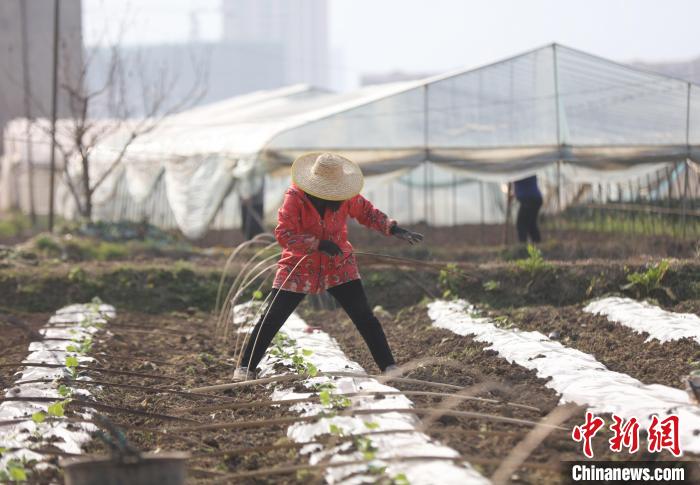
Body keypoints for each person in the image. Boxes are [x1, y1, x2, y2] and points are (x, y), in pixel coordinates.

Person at [234, 152, 423, 381]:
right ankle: (245, 367)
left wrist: (393, 229)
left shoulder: (346, 197)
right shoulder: (295, 197)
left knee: (363, 315)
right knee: (273, 316)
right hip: (300, 264)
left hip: (338, 263)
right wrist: (316, 244)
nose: (336, 197)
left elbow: (366, 212)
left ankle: (389, 367)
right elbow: (284, 234)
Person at [514, 175, 543, 243]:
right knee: (531, 224)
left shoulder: (522, 170)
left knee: (521, 224)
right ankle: (536, 246)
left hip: (529, 199)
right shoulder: (523, 169)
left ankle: (523, 246)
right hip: (533, 198)